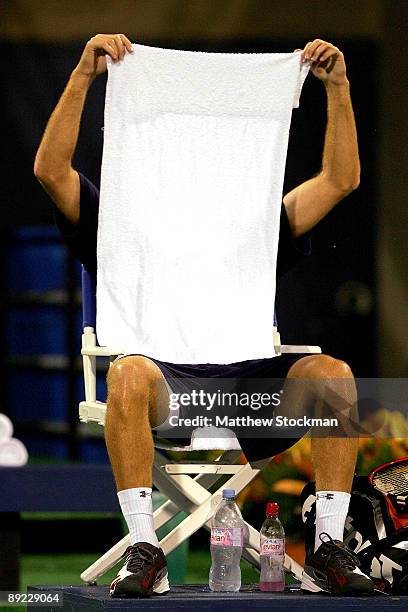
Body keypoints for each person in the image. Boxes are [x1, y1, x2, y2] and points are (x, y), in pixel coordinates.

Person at [34, 34, 373, 597]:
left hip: (244, 387)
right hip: (166, 386)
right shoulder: (117, 218)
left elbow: (341, 181)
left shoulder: (254, 220)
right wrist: (83, 76)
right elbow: (50, 170)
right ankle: (146, 549)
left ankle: (329, 547)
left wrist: (337, 88)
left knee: (332, 376)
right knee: (127, 371)